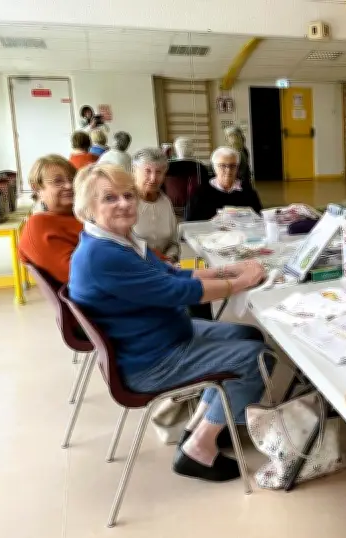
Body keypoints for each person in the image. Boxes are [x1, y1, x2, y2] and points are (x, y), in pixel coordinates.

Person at [69, 164, 270, 481]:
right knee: (257, 357)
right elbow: (178, 291)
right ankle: (198, 450)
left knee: (246, 334)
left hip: (156, 339)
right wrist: (240, 283)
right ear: (88, 207)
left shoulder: (117, 239)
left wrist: (228, 270)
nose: (124, 203)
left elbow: (170, 274)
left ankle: (200, 424)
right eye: (110, 198)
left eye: (128, 195)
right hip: (150, 361)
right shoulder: (102, 256)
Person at [18, 155, 82, 284]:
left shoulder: (77, 215)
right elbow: (75, 274)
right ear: (37, 188)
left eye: (72, 179)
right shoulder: (39, 225)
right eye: (58, 181)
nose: (69, 185)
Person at [185, 146, 263, 221]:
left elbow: (260, 218)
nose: (228, 170)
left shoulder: (248, 191)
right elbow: (190, 221)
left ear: (237, 168)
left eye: (233, 166)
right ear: (214, 168)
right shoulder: (202, 192)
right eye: (222, 166)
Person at [131, 148, 180, 263]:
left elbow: (173, 243)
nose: (153, 178)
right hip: (134, 269)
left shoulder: (165, 202)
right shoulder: (125, 203)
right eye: (147, 171)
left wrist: (170, 259)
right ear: (134, 171)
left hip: (163, 269)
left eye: (158, 172)